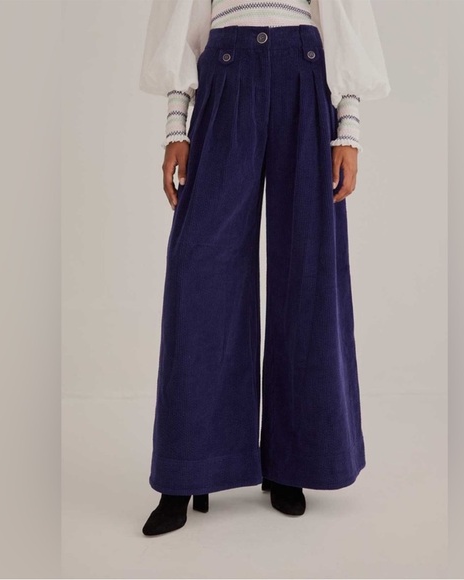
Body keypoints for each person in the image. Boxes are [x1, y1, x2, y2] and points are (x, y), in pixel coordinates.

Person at [138, 0, 390, 536]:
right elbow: (183, 19)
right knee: (198, 269)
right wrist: (176, 126)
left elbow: (344, 16)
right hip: (226, 70)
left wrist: (348, 128)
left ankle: (292, 462)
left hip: (306, 71)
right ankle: (188, 468)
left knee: (309, 270)